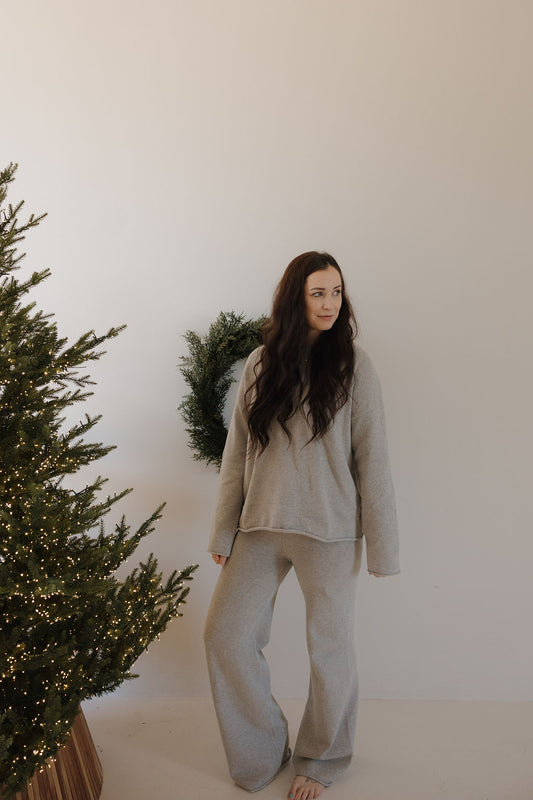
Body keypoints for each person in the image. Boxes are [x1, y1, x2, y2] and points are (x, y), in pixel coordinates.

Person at [204, 251, 400, 800]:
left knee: (330, 652)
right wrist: (223, 530)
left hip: (330, 533)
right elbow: (237, 452)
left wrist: (383, 547)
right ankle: (262, 750)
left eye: (336, 292)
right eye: (318, 293)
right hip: (260, 527)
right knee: (225, 636)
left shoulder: (355, 366)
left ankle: (321, 759)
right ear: (296, 297)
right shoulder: (260, 363)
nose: (330, 303)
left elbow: (373, 458)